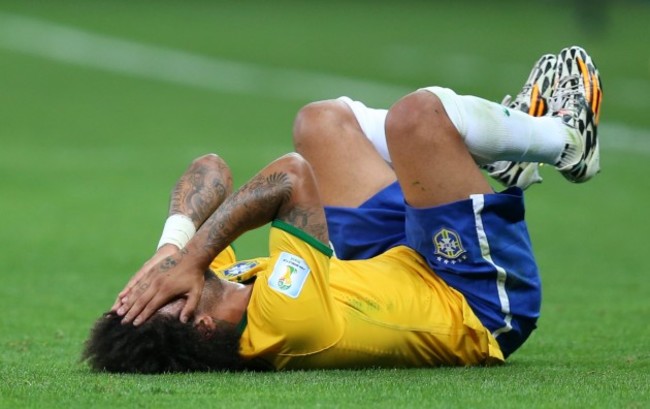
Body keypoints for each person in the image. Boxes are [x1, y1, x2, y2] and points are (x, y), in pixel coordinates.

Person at [83, 46, 602, 373]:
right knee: (418, 117)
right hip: (472, 302)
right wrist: (192, 259)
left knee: (320, 122)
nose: (153, 289)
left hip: (382, 268)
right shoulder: (284, 323)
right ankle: (563, 141)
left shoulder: (212, 288)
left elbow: (210, 168)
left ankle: (486, 157)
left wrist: (172, 247)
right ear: (200, 327)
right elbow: (291, 177)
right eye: (155, 301)